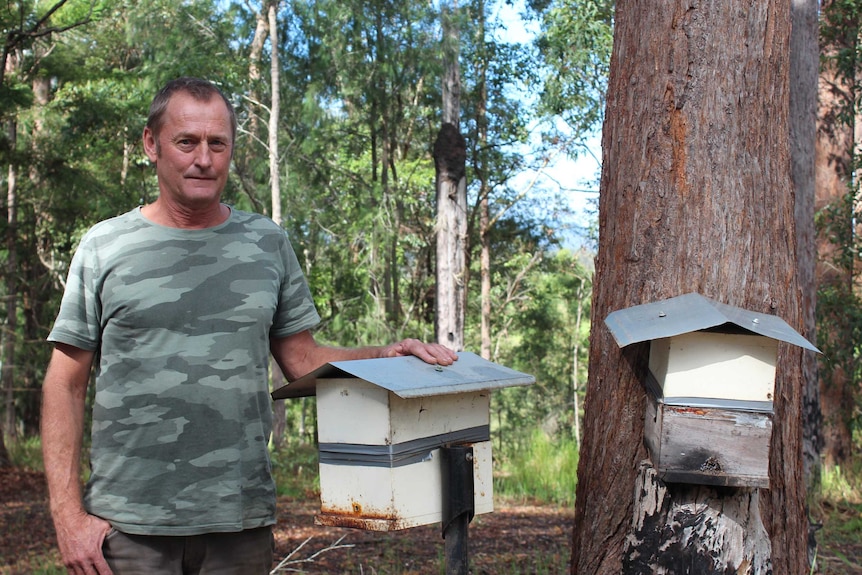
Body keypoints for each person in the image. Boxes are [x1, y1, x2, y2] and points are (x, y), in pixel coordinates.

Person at [41, 76, 457, 575]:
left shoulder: (266, 243)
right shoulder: (104, 247)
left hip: (239, 525)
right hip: (129, 529)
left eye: (218, 144)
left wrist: (385, 358)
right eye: (186, 142)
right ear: (152, 144)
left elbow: (302, 360)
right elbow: (64, 383)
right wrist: (67, 516)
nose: (204, 159)